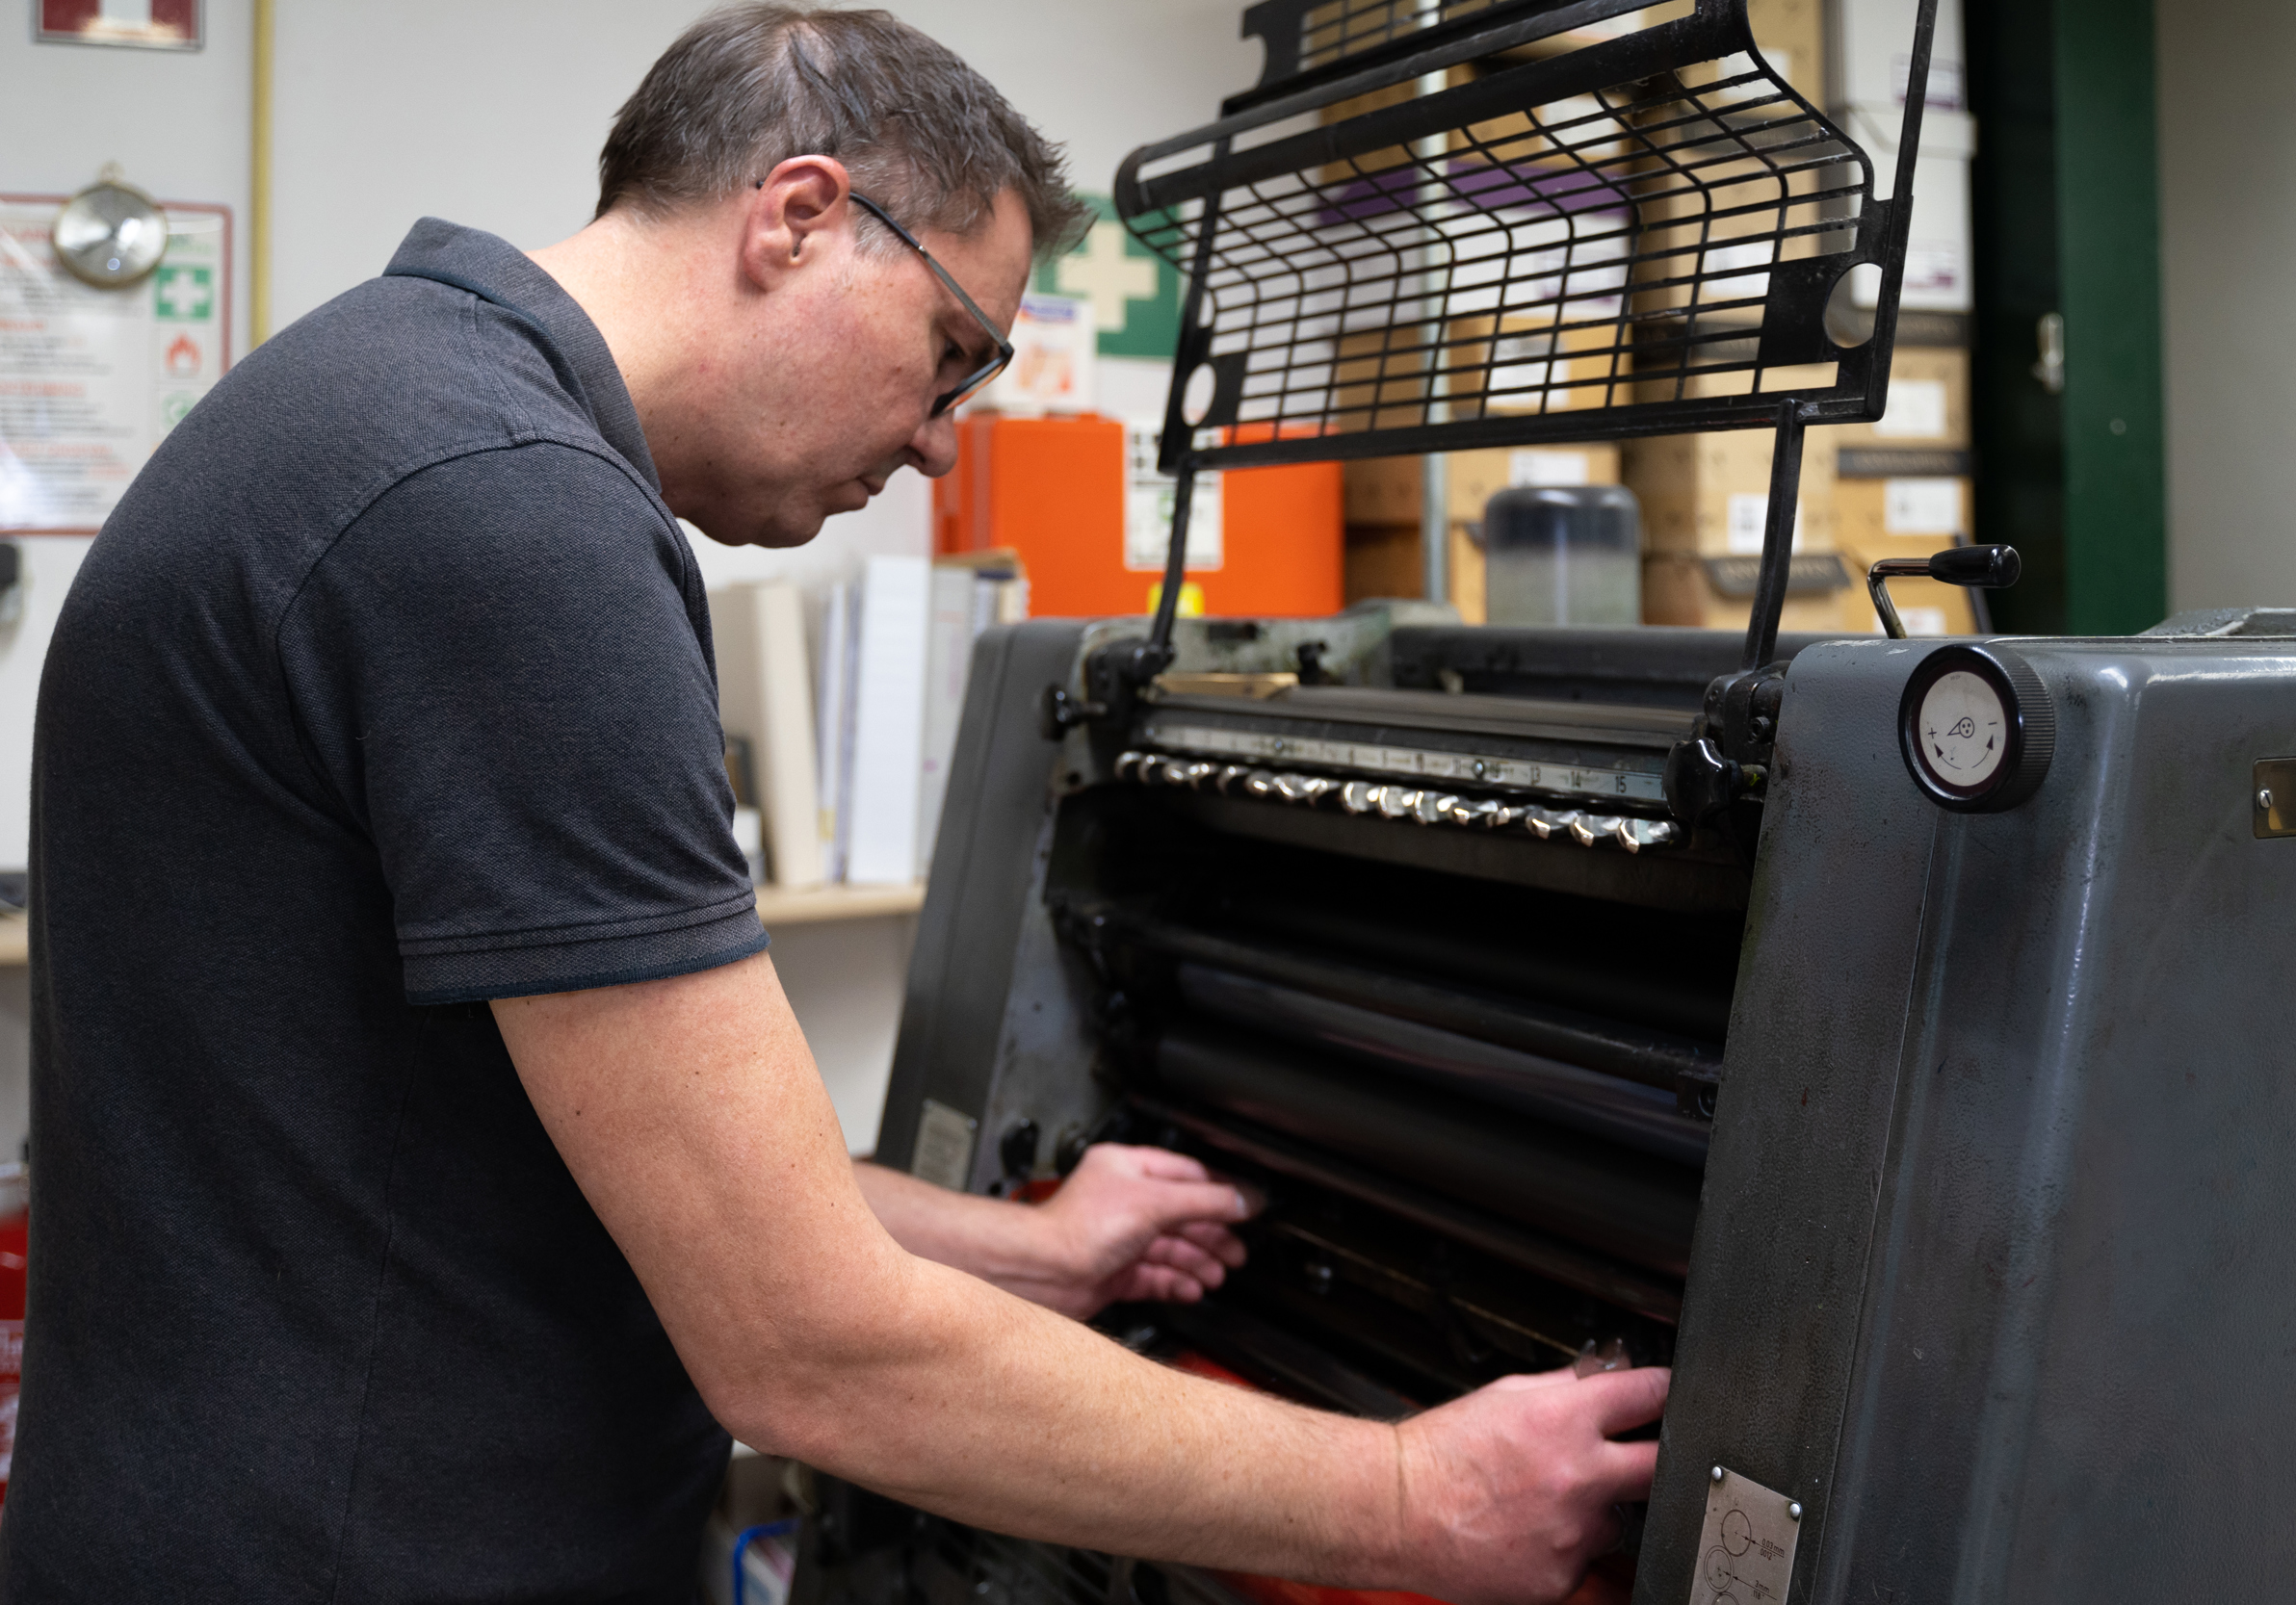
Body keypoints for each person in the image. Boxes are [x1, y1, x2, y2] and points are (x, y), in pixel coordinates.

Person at [2, 6, 1666, 1600]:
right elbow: (804, 1344)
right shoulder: (509, 524)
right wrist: (1412, 1493)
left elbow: (566, 1139)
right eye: (953, 354)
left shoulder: (385, 399)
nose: (947, 446)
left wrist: (1036, 1253)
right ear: (800, 217)